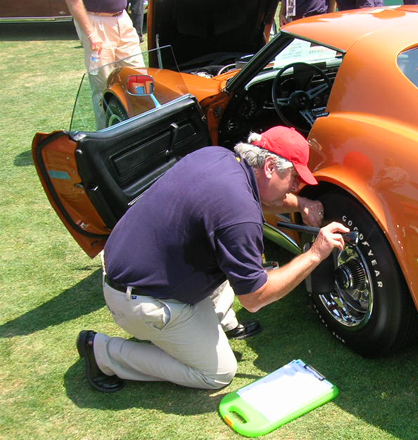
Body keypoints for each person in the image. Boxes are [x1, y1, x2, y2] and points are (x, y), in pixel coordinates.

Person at [76, 126, 350, 392]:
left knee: (227, 256)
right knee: (216, 373)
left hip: (130, 259)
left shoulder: (216, 156)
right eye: (294, 178)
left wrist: (301, 204)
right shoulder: (238, 215)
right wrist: (315, 253)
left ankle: (223, 322)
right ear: (268, 167)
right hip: (141, 298)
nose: (296, 187)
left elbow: (262, 197)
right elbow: (255, 298)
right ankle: (103, 352)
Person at [64, 0, 145, 129]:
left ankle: (141, 129)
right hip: (96, 23)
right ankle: (106, 137)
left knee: (139, 77)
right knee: (103, 86)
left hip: (122, 18)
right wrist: (91, 34)